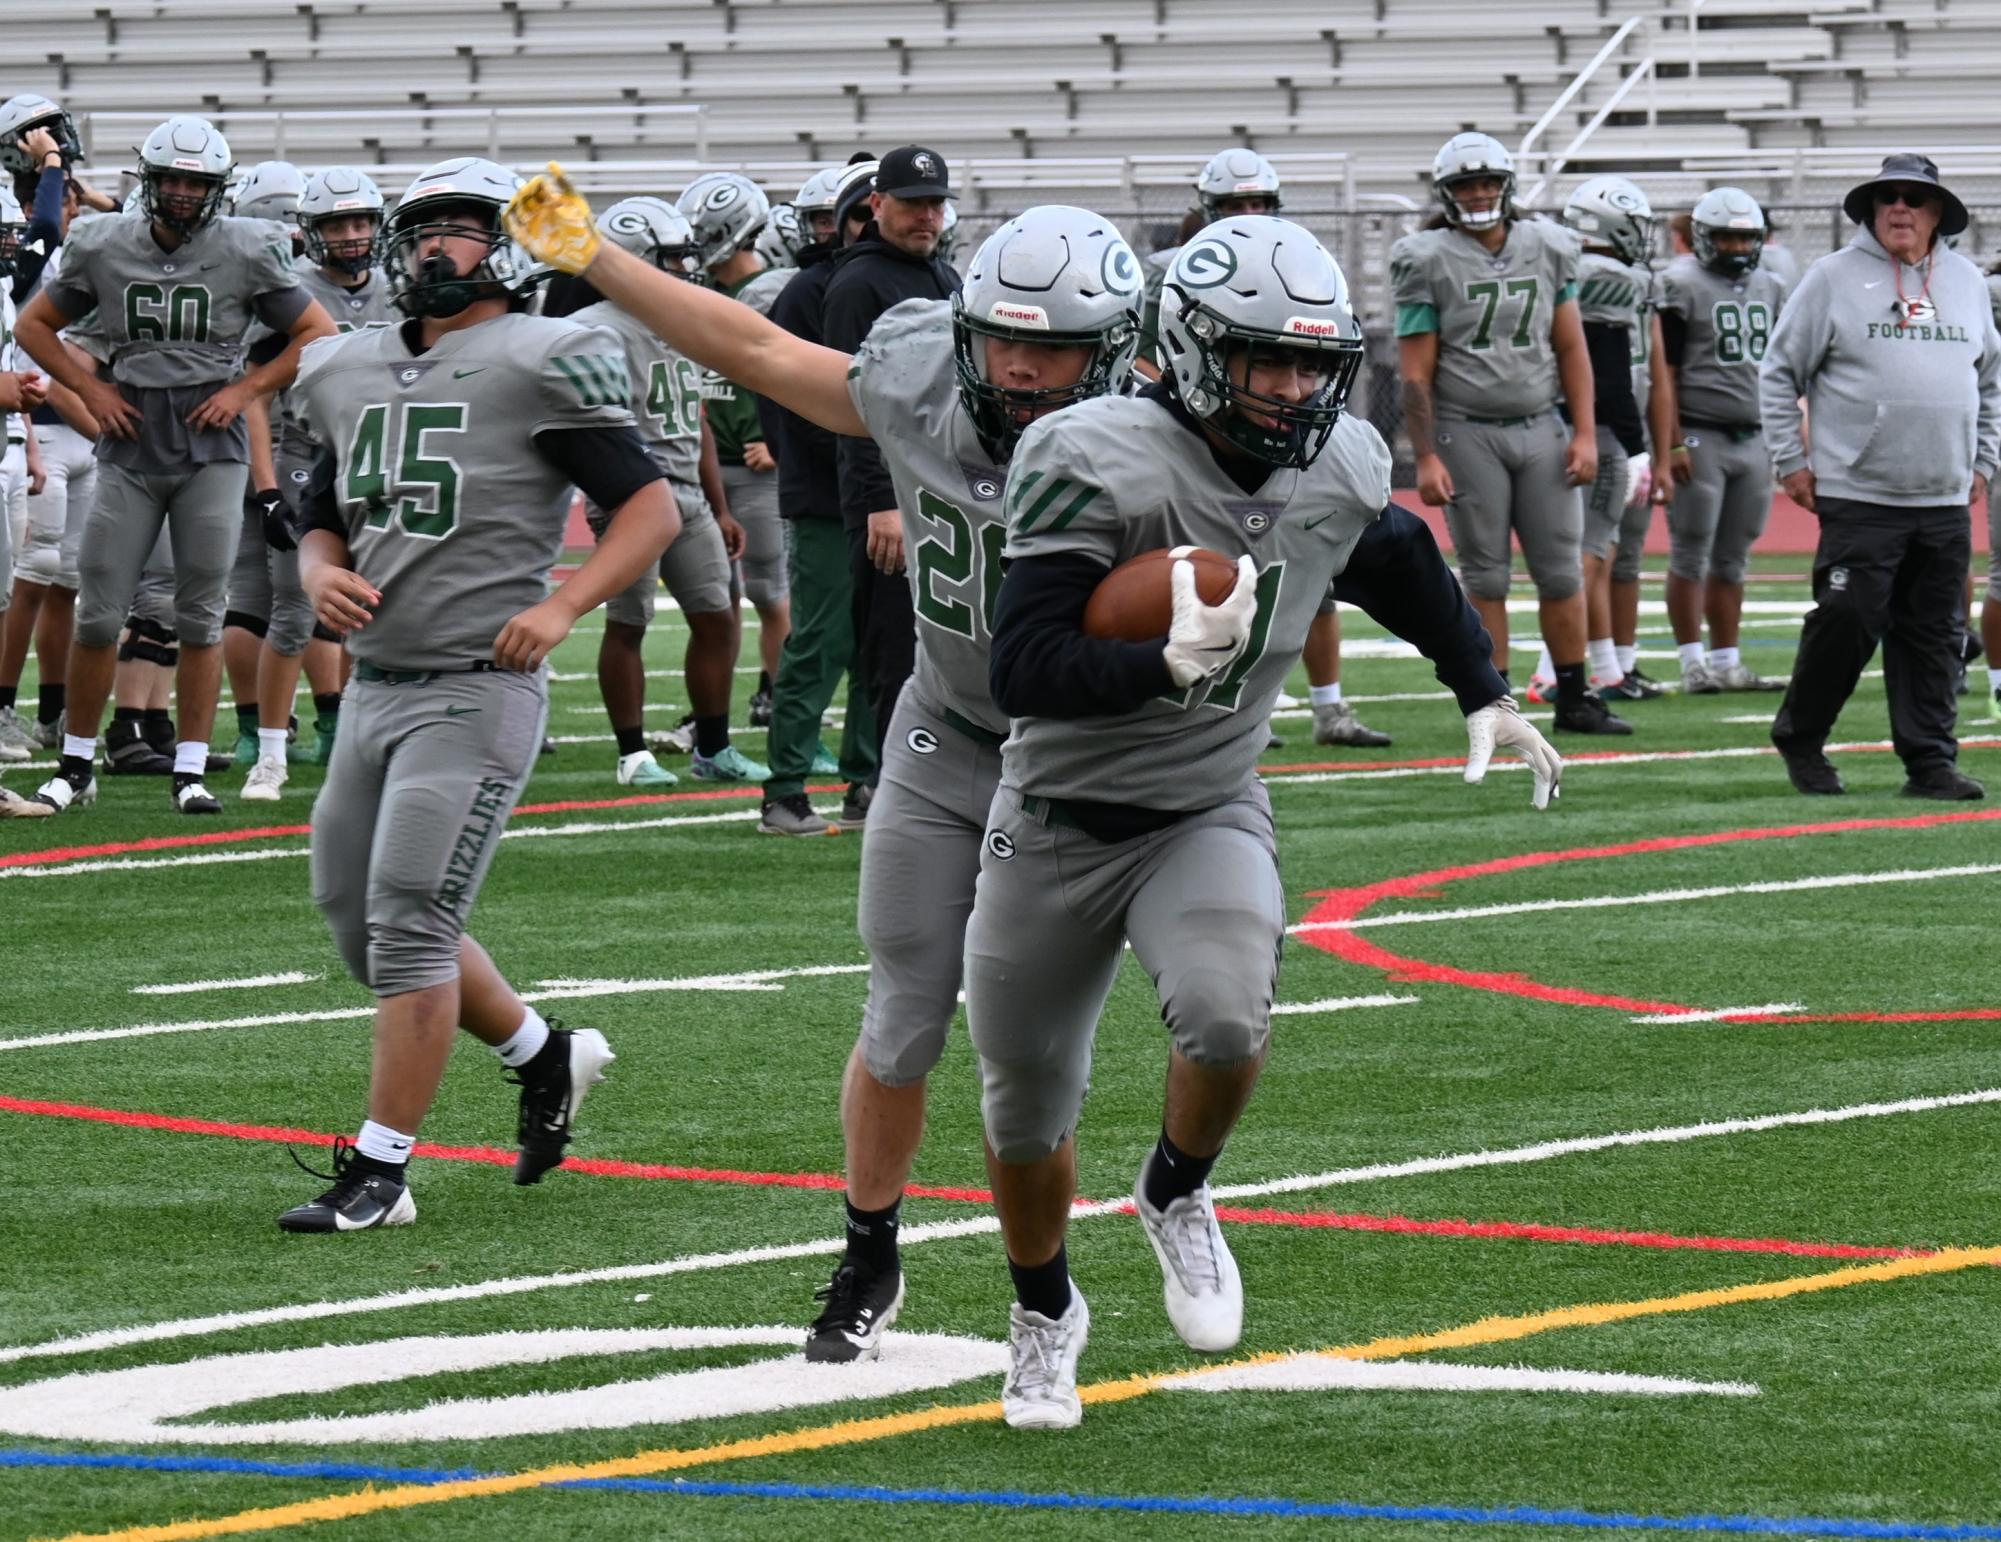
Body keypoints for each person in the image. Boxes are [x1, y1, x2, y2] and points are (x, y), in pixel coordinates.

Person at [967, 216, 1562, 1429]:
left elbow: (1395, 555)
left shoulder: (1334, 458)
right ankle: (1044, 1313)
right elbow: (1022, 667)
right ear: (1190, 351)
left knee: (1230, 1019)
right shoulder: (1093, 453)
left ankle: (1176, 1191)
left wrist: (1484, 685)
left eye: (1309, 364)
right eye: (1263, 362)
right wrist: (1156, 665)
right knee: (1024, 1106)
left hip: (1204, 805)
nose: (1293, 389)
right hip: (1054, 813)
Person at [278, 157, 681, 1232]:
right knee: (358, 927)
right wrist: (319, 571)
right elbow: (317, 510)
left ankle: (381, 1172)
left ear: (503, 247)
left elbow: (648, 510)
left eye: (458, 231)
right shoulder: (345, 365)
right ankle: (545, 1055)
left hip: (477, 685)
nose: (431, 250)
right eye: (421, 234)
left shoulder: (544, 355)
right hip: (375, 687)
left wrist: (564, 605)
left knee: (409, 922)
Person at [18, 114, 336, 815]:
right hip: (131, 442)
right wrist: (91, 388)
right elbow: (31, 326)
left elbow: (318, 330)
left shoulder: (247, 247)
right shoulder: (102, 240)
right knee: (100, 614)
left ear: (218, 187)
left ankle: (188, 769)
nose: (186, 194)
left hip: (208, 446)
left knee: (199, 614)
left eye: (198, 182)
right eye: (173, 180)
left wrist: (246, 389)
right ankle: (75, 765)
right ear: (152, 182)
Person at [1763, 153, 2001, 800]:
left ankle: (1929, 762)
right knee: (1846, 618)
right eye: (1886, 197)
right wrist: (1789, 459)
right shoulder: (1830, 278)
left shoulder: (1966, 283)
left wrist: (1982, 458)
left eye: (1914, 199)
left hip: (1944, 495)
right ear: (1869, 210)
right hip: (1857, 492)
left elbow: (1989, 380)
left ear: (1937, 214)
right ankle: (1801, 736)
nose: (1899, 208)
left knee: (1933, 635)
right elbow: (1779, 370)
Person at [1392, 132, 1627, 734]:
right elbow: (1416, 373)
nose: (1477, 194)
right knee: (1486, 576)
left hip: (1540, 424)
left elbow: (1572, 346)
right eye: (1465, 185)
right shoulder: (1426, 256)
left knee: (1561, 572)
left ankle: (1575, 697)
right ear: (1446, 194)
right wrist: (1423, 455)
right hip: (1466, 431)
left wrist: (1581, 433)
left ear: (1507, 187)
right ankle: (1495, 707)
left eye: (1486, 182)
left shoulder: (1547, 245)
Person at [566, 195, 761, 789]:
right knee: (629, 623)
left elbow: (696, 415)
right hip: (631, 494)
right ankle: (631, 754)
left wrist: (720, 505)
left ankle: (713, 745)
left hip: (689, 494)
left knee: (719, 618)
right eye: (671, 259)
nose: (685, 270)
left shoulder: (679, 318)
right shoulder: (594, 328)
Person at [237, 167, 397, 801]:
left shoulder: (400, 289)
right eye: (337, 223)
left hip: (381, 459)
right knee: (293, 614)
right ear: (311, 230)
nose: (353, 235)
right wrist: (267, 486)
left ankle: (365, 742)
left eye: (361, 222)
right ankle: (270, 755)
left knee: (376, 610)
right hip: (307, 457)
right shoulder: (290, 291)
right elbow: (254, 393)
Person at [821, 144, 961, 800]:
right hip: (892, 496)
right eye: (911, 204)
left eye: (934, 203)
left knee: (943, 639)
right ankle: (876, 782)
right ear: (876, 204)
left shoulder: (941, 277)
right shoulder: (859, 282)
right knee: (889, 642)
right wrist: (880, 501)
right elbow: (854, 401)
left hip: (946, 491)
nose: (925, 216)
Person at [756, 156, 880, 837]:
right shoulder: (809, 290)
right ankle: (785, 789)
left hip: (890, 494)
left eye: (866, 212)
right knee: (822, 640)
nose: (858, 225)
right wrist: (809, 466)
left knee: (879, 644)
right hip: (831, 497)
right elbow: (778, 384)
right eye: (851, 215)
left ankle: (865, 780)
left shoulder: (911, 280)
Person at [1659, 188, 1790, 694]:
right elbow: (1664, 371)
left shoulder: (1773, 285)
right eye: (1725, 236)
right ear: (1702, 238)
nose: (1736, 246)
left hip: (1754, 435)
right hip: (1700, 431)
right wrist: (1671, 440)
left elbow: (1783, 369)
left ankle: (1727, 660)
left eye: (1745, 237)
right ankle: (1693, 663)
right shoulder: (1678, 284)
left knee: (1735, 556)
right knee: (1690, 551)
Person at [1552, 176, 1676, 703]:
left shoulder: (1629, 276)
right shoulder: (1602, 275)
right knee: (1590, 552)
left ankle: (1607, 668)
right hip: (1602, 425)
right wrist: (1643, 446)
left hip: (1614, 423)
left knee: (1610, 554)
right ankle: (1561, 670)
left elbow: (1653, 368)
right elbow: (1609, 370)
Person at [680, 170, 795, 734]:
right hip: (706, 465)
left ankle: (775, 694)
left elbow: (807, 370)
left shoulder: (779, 289)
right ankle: (715, 708)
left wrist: (780, 443)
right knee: (716, 602)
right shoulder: (698, 293)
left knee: (769, 592)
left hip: (752, 467)